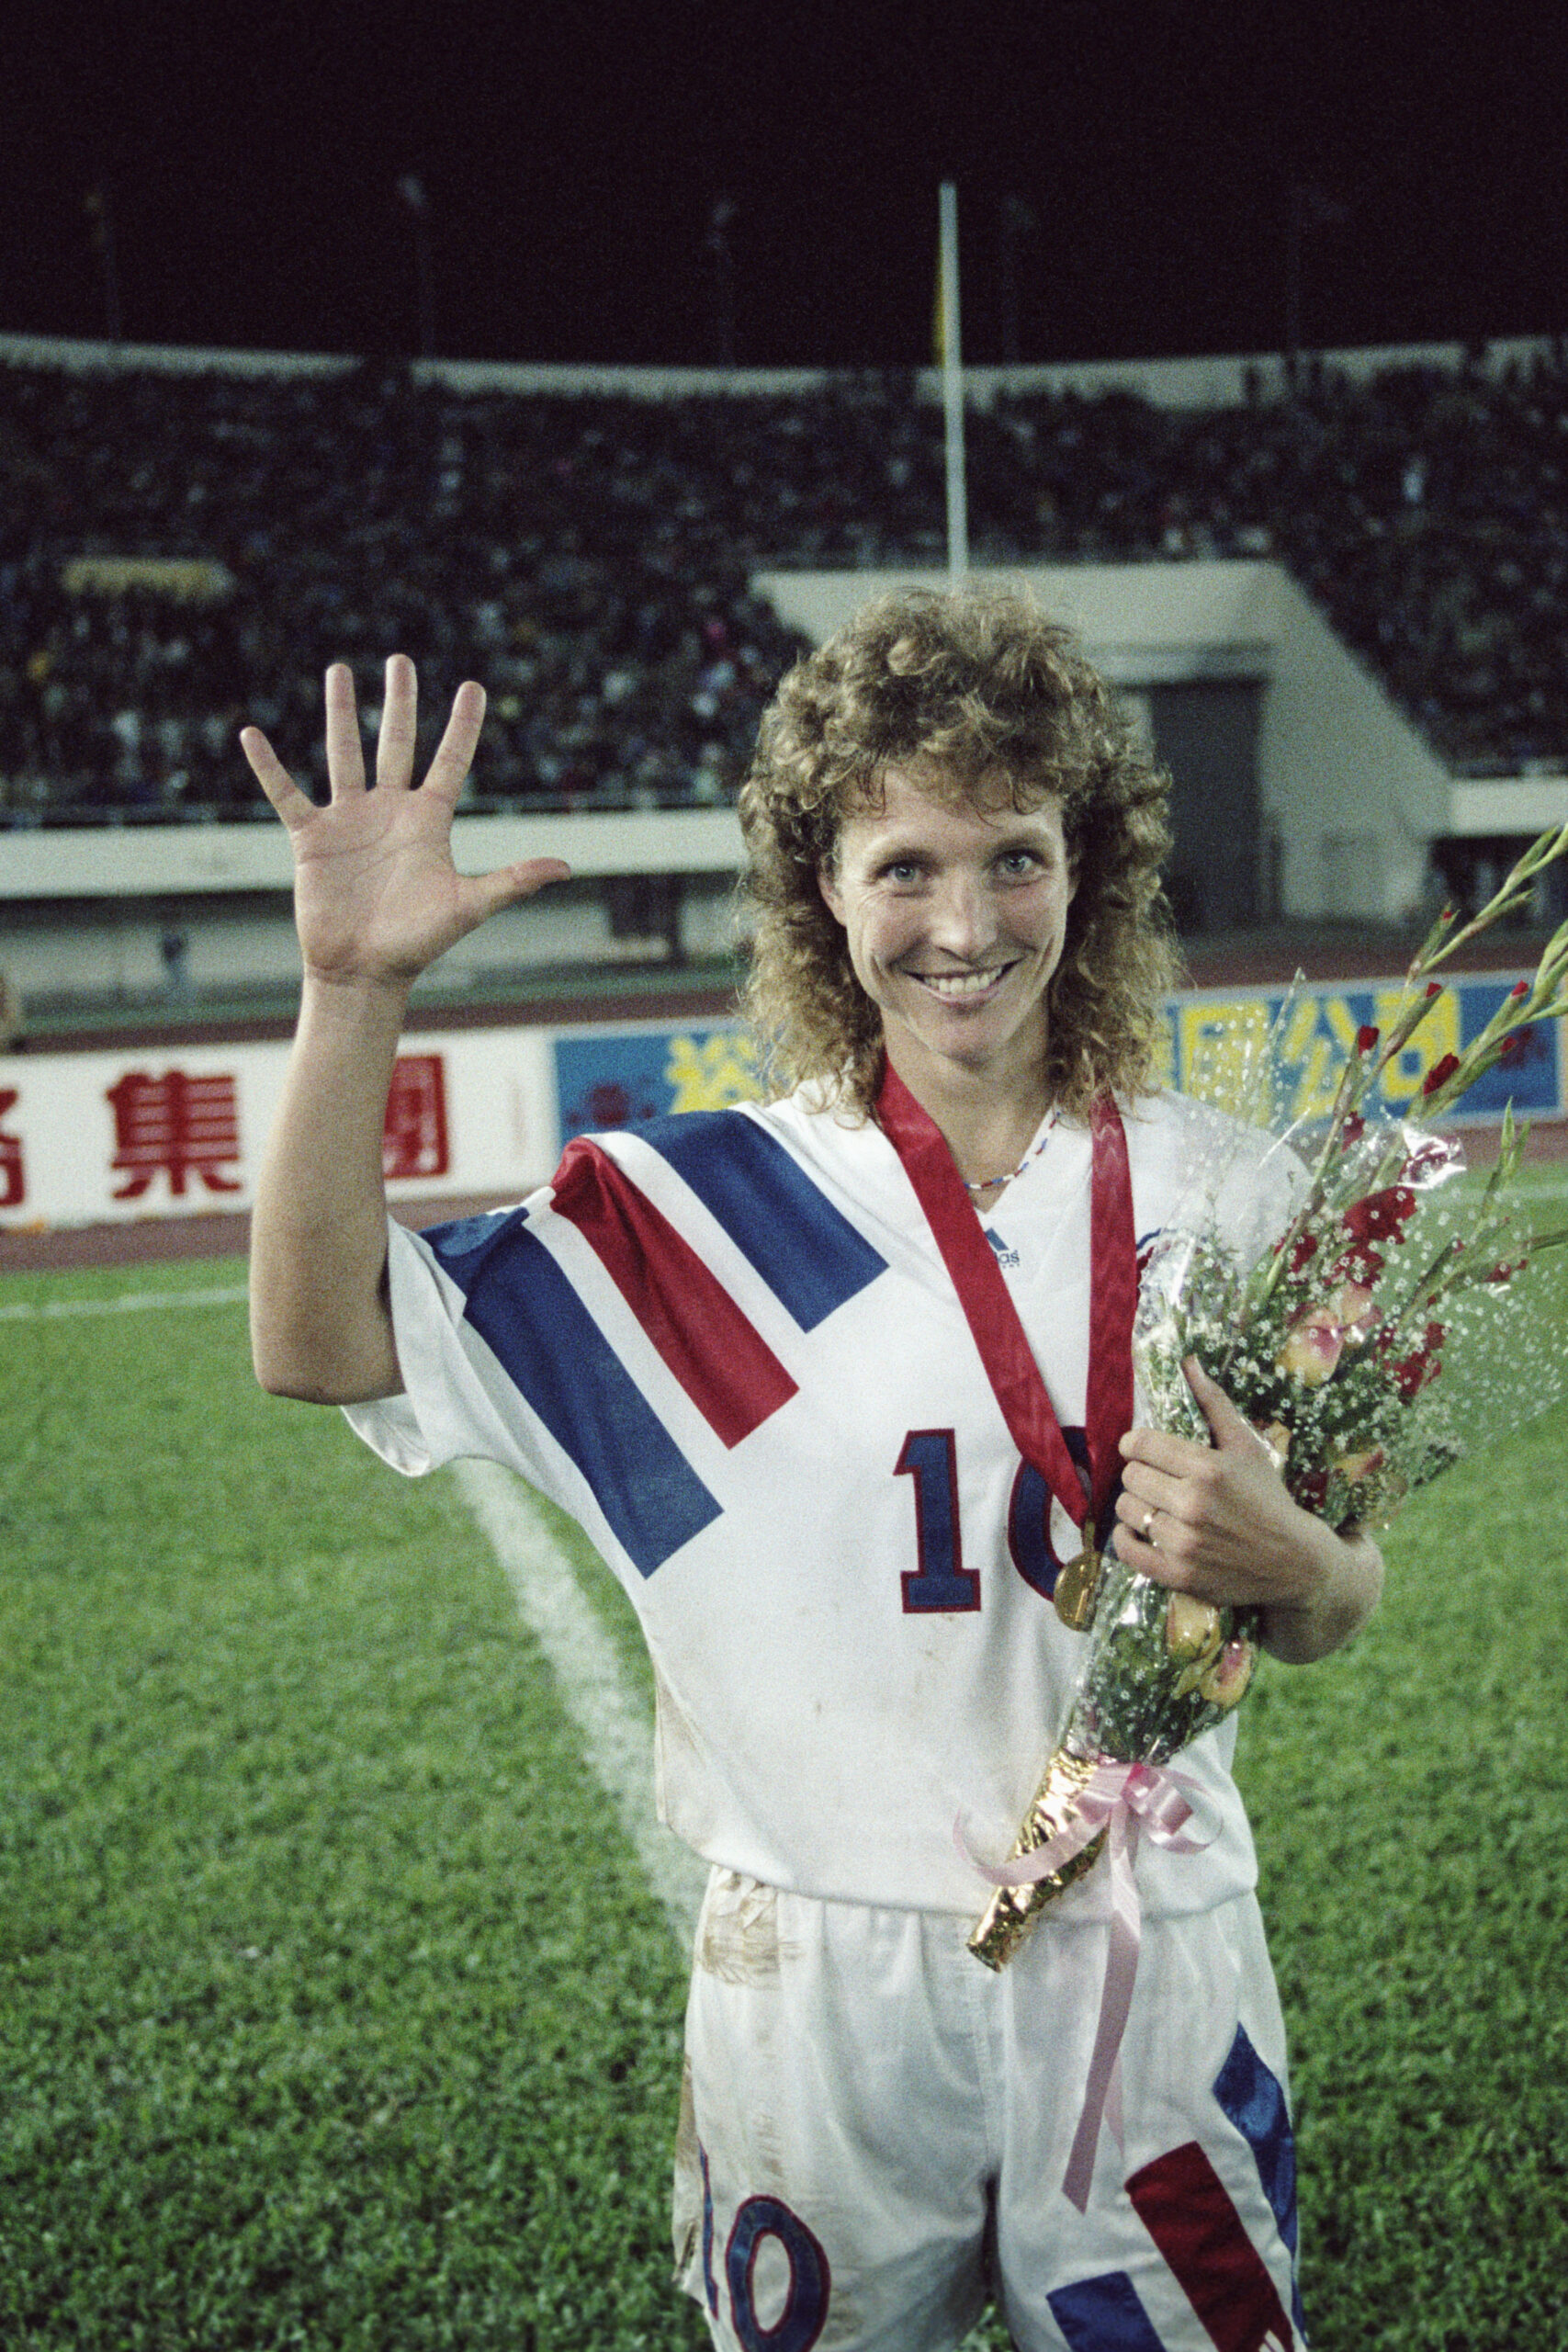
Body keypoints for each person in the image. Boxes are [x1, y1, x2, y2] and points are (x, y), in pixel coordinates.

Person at [243, 588, 1382, 2352]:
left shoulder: (1239, 1196)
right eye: (903, 868)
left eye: (1014, 857)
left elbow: (1333, 1602)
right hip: (818, 1980)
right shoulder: (683, 1213)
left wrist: (1300, 1568)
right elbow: (316, 1341)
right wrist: (349, 992)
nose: (964, 923)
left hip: (1158, 1953)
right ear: (819, 891)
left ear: (1089, 869)